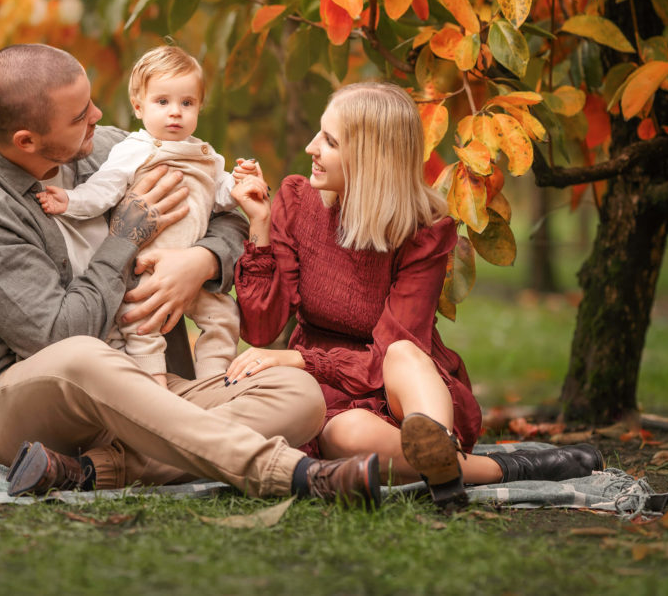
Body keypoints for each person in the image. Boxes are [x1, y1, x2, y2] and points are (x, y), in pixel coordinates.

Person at [0, 44, 384, 505]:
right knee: (83, 355)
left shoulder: (105, 148)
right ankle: (292, 473)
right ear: (27, 140)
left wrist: (200, 262)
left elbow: (221, 210)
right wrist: (125, 237)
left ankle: (89, 472)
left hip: (151, 383)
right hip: (32, 409)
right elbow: (59, 334)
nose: (99, 115)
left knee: (299, 394)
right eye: (80, 114)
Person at [229, 82, 603, 509]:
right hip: (328, 393)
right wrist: (258, 223)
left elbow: (391, 350)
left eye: (330, 141)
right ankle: (497, 468)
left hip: (399, 384)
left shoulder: (424, 232)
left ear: (370, 156)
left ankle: (436, 444)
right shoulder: (296, 202)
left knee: (404, 353)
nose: (313, 147)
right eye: (320, 133)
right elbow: (260, 327)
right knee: (345, 435)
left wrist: (299, 358)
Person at [36, 46, 250, 387]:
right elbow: (103, 190)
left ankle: (216, 381)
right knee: (142, 325)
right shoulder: (134, 150)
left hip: (189, 269)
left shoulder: (207, 155)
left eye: (187, 103)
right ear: (139, 107)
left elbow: (220, 199)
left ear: (199, 107)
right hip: (146, 265)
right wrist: (70, 201)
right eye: (162, 102)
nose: (175, 113)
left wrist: (240, 186)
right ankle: (153, 385)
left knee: (223, 315)